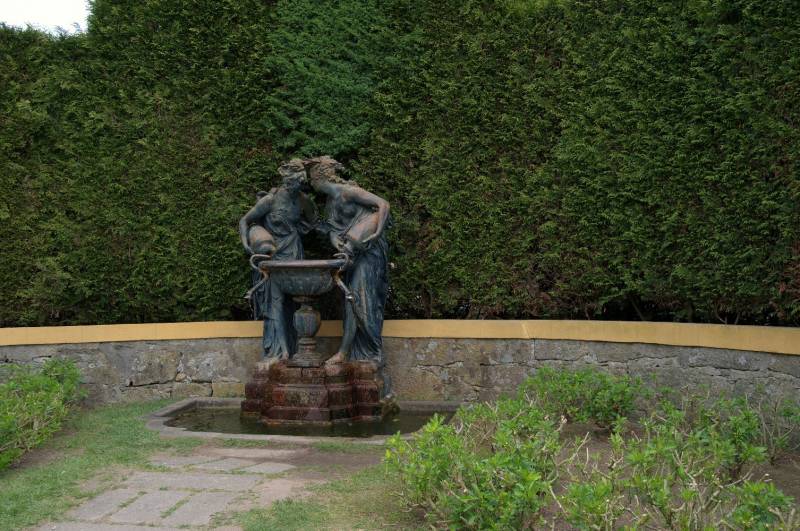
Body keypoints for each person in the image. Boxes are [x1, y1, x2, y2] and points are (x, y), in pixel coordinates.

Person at [304, 157, 391, 390]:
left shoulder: (349, 192)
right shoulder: (330, 203)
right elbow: (334, 230)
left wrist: (377, 231)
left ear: (320, 177)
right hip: (352, 254)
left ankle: (372, 352)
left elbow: (383, 204)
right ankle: (347, 351)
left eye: (312, 179)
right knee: (351, 299)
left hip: (369, 253)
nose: (311, 184)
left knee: (363, 299)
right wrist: (335, 240)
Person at [239, 159, 316, 359]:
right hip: (273, 255)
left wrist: (302, 229)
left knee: (296, 301)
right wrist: (247, 244)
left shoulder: (303, 200)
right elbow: (245, 220)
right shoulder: (269, 200)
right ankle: (280, 351)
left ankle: (295, 349)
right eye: (294, 183)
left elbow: (313, 221)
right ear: (287, 181)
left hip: (294, 252)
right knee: (276, 302)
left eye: (299, 184)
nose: (296, 187)